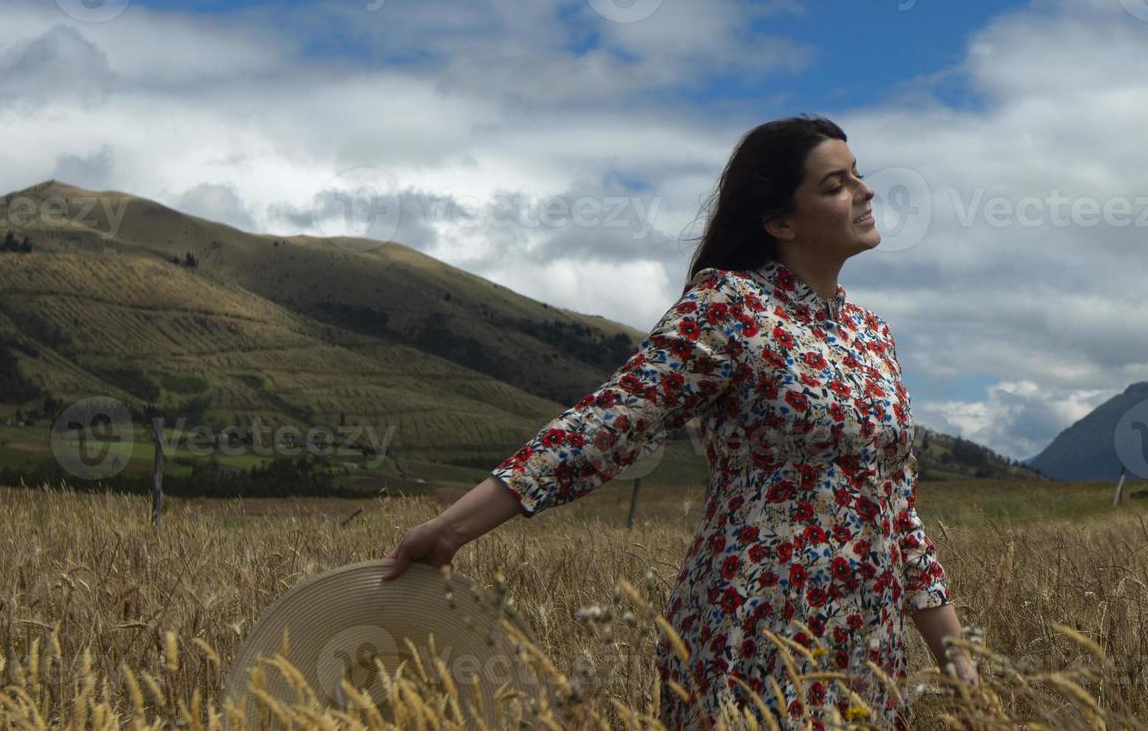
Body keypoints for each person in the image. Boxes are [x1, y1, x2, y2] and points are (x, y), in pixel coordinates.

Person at [381, 115, 974, 728]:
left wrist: (957, 661)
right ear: (778, 222)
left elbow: (898, 512)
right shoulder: (730, 306)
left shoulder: (871, 336)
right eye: (834, 184)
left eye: (858, 174)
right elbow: (607, 425)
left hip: (868, 648)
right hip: (757, 628)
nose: (864, 190)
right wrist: (452, 530)